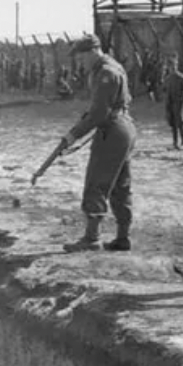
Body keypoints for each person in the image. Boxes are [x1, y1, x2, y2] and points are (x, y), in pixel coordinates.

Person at [60, 34, 136, 252]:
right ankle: (123, 237)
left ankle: (92, 238)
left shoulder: (105, 73)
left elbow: (98, 114)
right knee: (121, 185)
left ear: (93, 51)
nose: (81, 62)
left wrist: (73, 135)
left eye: (82, 57)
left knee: (96, 181)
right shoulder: (112, 67)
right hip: (123, 127)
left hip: (112, 130)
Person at [162, 55, 183, 149]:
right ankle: (175, 142)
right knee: (172, 123)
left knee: (180, 123)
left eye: (173, 66)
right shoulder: (168, 79)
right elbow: (164, 90)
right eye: (170, 66)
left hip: (179, 104)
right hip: (170, 104)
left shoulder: (182, 78)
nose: (172, 68)